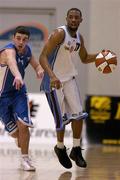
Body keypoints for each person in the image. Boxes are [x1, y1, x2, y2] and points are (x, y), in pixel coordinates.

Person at [39, 8, 106, 169]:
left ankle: (76, 149)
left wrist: (101, 56)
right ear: (67, 18)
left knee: (79, 115)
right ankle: (60, 147)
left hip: (69, 78)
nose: (74, 20)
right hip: (53, 81)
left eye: (77, 18)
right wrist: (53, 76)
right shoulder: (59, 34)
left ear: (81, 20)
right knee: (61, 120)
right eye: (71, 17)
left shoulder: (79, 39)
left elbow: (84, 58)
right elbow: (42, 56)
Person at [0, 26, 44, 171]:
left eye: (24, 39)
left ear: (27, 41)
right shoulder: (8, 51)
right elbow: (12, 62)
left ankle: (25, 159)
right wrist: (18, 75)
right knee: (17, 137)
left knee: (24, 125)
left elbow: (36, 64)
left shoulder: (27, 51)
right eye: (18, 38)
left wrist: (39, 70)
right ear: (13, 38)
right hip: (2, 97)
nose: (21, 42)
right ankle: (21, 145)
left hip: (18, 93)